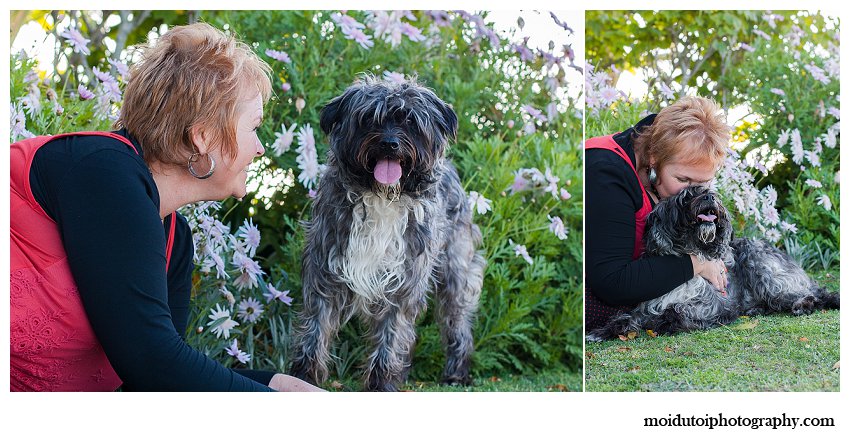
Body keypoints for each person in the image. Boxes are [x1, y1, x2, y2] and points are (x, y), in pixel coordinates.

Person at [10, 23, 322, 391]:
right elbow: (152, 361)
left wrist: (279, 385)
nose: (260, 148)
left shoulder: (175, 240)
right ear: (203, 136)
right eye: (253, 127)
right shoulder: (103, 170)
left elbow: (160, 381)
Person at [584, 96, 732, 331]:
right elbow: (612, 282)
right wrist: (698, 264)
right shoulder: (606, 173)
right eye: (683, 179)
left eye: (703, 183)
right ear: (653, 158)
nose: (694, 193)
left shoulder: (665, 173)